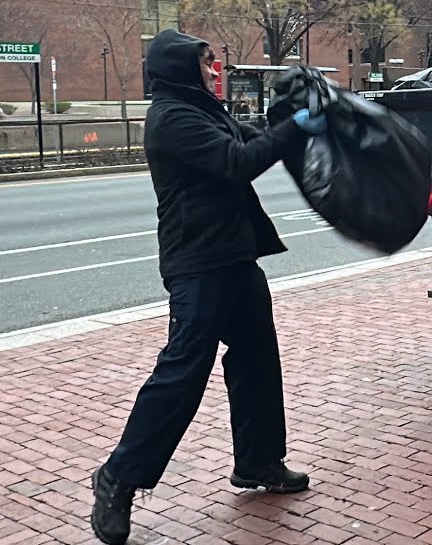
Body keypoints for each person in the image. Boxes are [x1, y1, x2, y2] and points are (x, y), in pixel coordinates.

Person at [90, 29, 327, 545]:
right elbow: (237, 162)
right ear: (180, 68)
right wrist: (294, 130)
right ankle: (118, 477)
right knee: (183, 370)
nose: (214, 71)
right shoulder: (172, 118)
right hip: (197, 263)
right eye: (206, 63)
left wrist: (289, 115)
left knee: (257, 359)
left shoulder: (203, 111)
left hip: (235, 257)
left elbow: (251, 136)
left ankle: (259, 461)